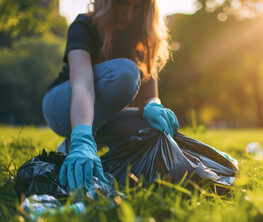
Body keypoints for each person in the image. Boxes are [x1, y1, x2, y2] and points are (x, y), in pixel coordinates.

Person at [42, 0, 179, 194]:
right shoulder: (84, 26)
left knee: (157, 129)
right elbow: (83, 85)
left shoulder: (144, 38)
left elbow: (149, 98)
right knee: (126, 73)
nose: (130, 14)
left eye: (138, 7)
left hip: (104, 119)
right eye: (123, 4)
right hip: (62, 106)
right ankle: (77, 141)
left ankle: (87, 147)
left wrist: (154, 107)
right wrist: (81, 138)